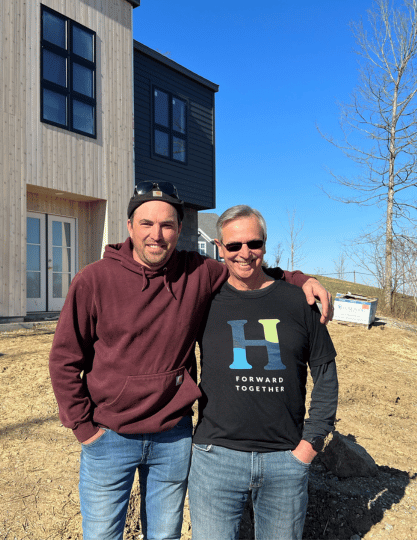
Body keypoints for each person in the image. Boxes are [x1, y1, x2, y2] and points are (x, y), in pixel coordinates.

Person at [49, 182, 332, 540]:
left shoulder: (196, 272)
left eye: (167, 225)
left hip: (173, 436)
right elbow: (64, 359)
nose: (157, 234)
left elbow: (248, 267)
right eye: (147, 223)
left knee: (164, 535)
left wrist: (300, 279)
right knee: (102, 534)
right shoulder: (94, 280)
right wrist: (84, 430)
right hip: (110, 436)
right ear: (129, 226)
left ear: (179, 230)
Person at [188, 205, 338, 540]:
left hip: (285, 460)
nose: (244, 253)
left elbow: (325, 371)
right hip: (215, 458)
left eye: (253, 244)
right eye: (234, 246)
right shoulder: (203, 300)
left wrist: (310, 444)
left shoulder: (298, 301)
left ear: (265, 245)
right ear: (218, 247)